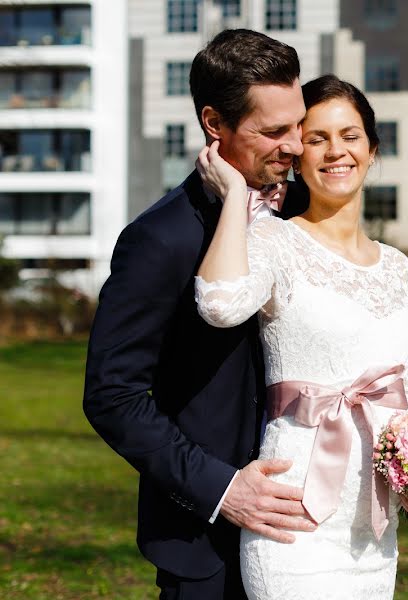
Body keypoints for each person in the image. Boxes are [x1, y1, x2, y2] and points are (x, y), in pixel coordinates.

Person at [83, 29, 316, 599]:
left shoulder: (308, 215)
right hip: (206, 549)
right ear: (215, 124)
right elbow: (113, 396)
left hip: (315, 533)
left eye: (298, 125)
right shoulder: (158, 239)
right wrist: (223, 490)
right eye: (272, 131)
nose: (296, 147)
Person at [194, 74, 408, 599]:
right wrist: (237, 194)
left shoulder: (397, 266)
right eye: (317, 138)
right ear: (298, 155)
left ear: (372, 150)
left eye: (350, 136)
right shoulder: (274, 238)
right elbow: (219, 304)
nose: (335, 152)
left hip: (374, 528)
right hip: (292, 518)